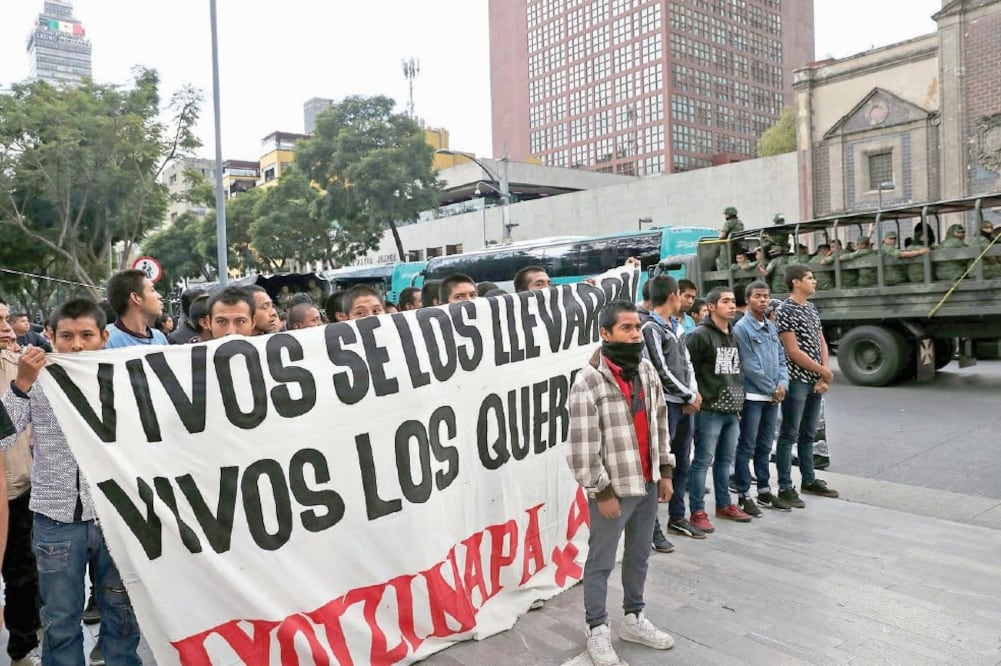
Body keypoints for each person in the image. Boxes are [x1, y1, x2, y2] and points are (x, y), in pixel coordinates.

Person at [2, 298, 142, 666]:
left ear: (104, 336)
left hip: (117, 517)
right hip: (55, 520)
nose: (76, 344)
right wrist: (20, 385)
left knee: (122, 615)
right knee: (60, 619)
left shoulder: (128, 377)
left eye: (86, 335)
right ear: (50, 335)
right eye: (66, 335)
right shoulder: (36, 379)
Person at [567, 301, 676, 666]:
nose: (634, 335)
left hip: (647, 481)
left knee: (639, 554)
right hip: (614, 490)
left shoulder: (645, 369)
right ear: (605, 333)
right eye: (626, 328)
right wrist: (602, 491)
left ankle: (633, 618)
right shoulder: (589, 380)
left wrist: (665, 471)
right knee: (600, 562)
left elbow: (660, 422)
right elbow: (582, 446)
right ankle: (596, 628)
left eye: (637, 328)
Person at [640, 276, 704, 544]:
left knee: (682, 463)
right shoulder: (650, 328)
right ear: (672, 296)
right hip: (665, 405)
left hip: (684, 403)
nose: (683, 300)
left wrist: (693, 392)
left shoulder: (675, 326)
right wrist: (688, 393)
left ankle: (678, 517)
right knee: (659, 466)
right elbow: (659, 369)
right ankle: (651, 528)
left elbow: (686, 363)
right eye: (681, 295)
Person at [774, 264, 839, 507]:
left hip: (814, 380)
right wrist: (822, 371)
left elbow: (821, 340)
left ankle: (809, 479)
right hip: (796, 380)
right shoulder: (785, 310)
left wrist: (824, 374)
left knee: (809, 434)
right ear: (795, 282)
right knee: (789, 433)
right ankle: (784, 486)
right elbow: (792, 350)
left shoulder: (811, 308)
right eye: (810, 278)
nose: (814, 282)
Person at [685, 287, 749, 532]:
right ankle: (697, 511)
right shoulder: (699, 336)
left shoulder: (733, 335)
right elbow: (687, 369)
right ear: (711, 306)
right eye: (725, 302)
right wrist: (693, 398)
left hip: (731, 410)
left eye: (733, 301)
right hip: (708, 410)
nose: (732, 306)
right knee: (702, 461)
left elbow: (737, 373)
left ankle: (724, 504)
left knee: (725, 461)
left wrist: (738, 404)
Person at [0, 304, 42, 665]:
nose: (8, 330)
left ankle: (22, 648)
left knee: (23, 577)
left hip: (18, 491)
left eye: (6, 319)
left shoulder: (18, 366)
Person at [732, 282, 791, 514]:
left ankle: (765, 491)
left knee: (765, 446)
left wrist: (782, 385)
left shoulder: (771, 327)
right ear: (748, 300)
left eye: (766, 296)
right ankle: (743, 494)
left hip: (772, 397)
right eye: (758, 296)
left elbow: (781, 359)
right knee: (747, 445)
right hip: (753, 396)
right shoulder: (742, 329)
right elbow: (749, 365)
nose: (764, 300)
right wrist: (771, 388)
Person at [104, 269, 168, 348]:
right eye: (152, 290)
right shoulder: (105, 341)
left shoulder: (160, 338)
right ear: (136, 298)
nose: (159, 296)